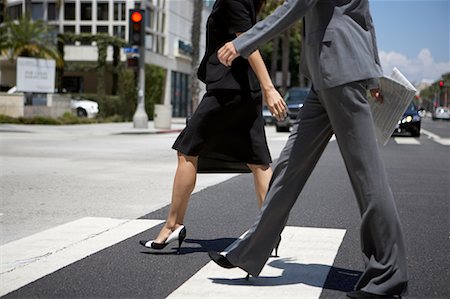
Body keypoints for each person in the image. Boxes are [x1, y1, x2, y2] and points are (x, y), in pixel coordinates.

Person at [208, 0, 408, 298]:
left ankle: (388, 276)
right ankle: (250, 251)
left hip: (339, 70)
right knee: (289, 166)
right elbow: (367, 21)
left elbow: (298, 5)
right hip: (324, 74)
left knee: (368, 177)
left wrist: (244, 43)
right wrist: (373, 70)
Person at [139, 0, 287, 254]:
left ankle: (173, 224)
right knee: (257, 160)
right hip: (244, 89)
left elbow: (248, 41)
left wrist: (269, 87)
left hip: (228, 89)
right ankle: (270, 233)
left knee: (187, 149)